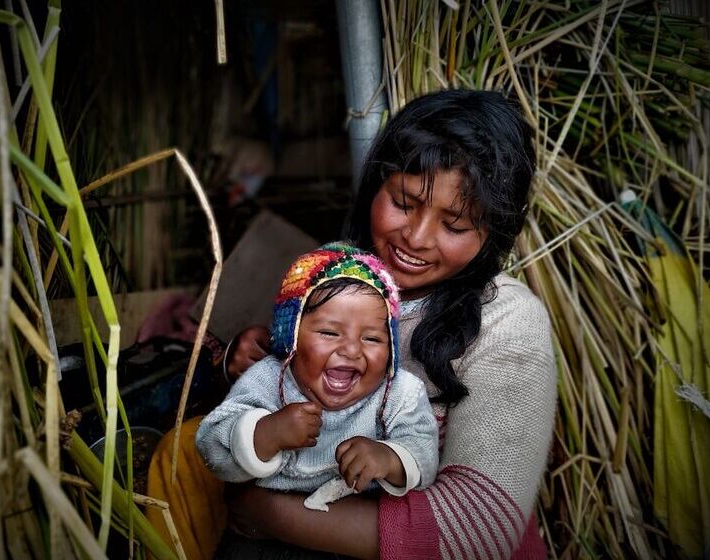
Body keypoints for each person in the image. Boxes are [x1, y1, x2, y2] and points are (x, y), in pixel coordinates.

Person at [219, 89, 557, 559]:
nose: (416, 238)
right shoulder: (335, 271)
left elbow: (477, 533)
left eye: (454, 226)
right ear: (376, 185)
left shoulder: (508, 321)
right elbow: (277, 386)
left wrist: (268, 512)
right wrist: (246, 358)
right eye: (403, 202)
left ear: (492, 233)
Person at [195, 243, 438, 523]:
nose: (351, 350)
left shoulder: (399, 393)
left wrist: (390, 458)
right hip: (262, 533)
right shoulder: (268, 379)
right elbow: (210, 446)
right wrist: (266, 433)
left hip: (347, 534)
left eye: (372, 338)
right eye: (329, 333)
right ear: (291, 338)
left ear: (391, 348)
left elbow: (425, 453)